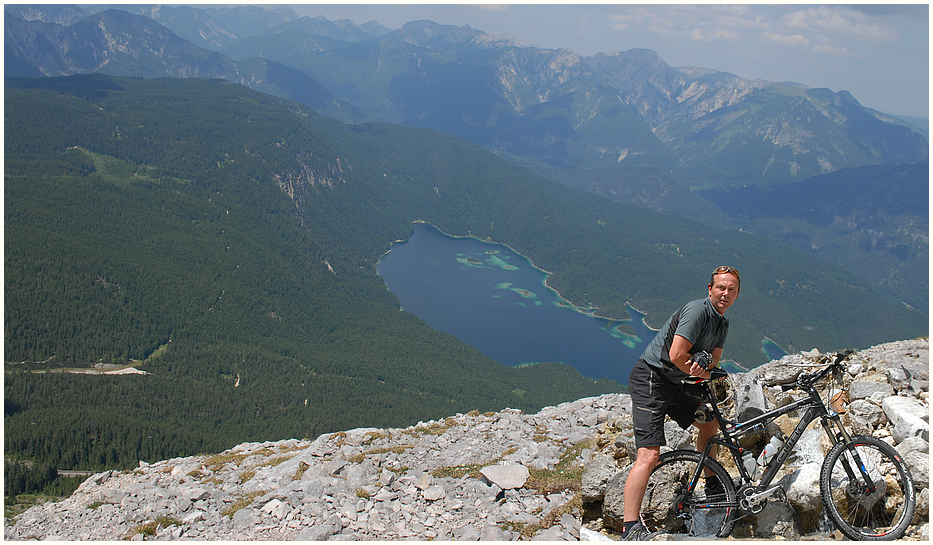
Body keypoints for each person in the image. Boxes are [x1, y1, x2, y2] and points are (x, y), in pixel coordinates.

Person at [621, 266, 740, 540]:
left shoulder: (722, 322)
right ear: (709, 289)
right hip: (651, 380)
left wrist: (705, 361)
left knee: (709, 425)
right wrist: (701, 368)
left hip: (675, 385)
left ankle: (712, 484)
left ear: (736, 295)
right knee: (649, 455)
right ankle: (630, 529)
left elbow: (716, 358)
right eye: (720, 287)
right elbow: (676, 354)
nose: (725, 293)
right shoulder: (698, 311)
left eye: (731, 289)